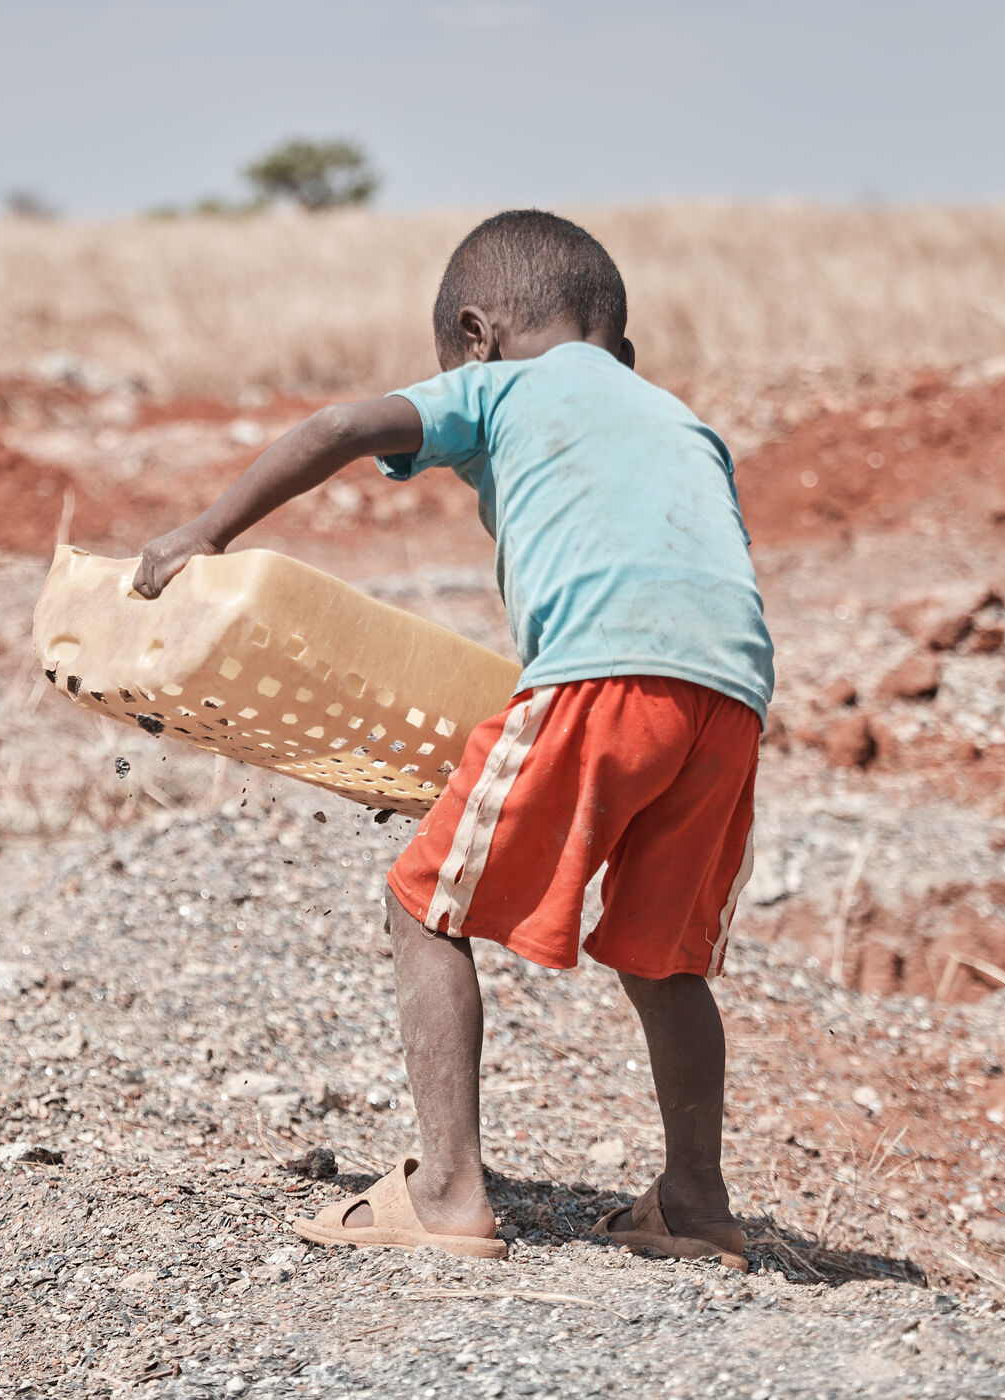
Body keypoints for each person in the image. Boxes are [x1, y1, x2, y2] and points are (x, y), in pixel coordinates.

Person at [133, 211, 773, 1266]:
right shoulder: (675, 415)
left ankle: (445, 1191)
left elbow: (337, 427)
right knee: (667, 959)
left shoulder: (501, 382)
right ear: (621, 346)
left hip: (598, 674)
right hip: (731, 698)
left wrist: (207, 531)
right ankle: (697, 1207)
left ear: (475, 335)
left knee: (425, 902)